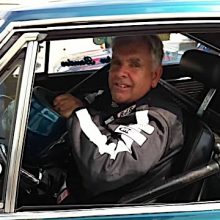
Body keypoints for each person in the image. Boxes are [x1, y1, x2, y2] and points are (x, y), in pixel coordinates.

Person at [53, 35, 184, 203]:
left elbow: (108, 168)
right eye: (116, 63)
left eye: (135, 65)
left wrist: (78, 114)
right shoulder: (114, 99)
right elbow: (92, 107)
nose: (120, 72)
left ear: (154, 76)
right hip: (74, 192)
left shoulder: (155, 119)